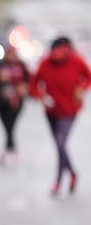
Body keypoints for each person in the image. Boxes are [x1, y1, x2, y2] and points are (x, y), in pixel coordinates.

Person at [29, 36, 91, 195]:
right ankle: (72, 173)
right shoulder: (45, 62)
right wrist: (40, 96)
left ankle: (58, 181)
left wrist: (82, 89)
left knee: (61, 142)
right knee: (59, 145)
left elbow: (88, 77)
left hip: (70, 110)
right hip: (51, 111)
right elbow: (34, 83)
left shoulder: (76, 61)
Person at [0, 44, 30, 167]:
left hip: (17, 102)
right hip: (3, 102)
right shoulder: (0, 66)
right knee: (7, 127)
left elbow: (28, 80)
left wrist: (23, 88)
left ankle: (9, 151)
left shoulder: (22, 66)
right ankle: (10, 150)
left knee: (11, 126)